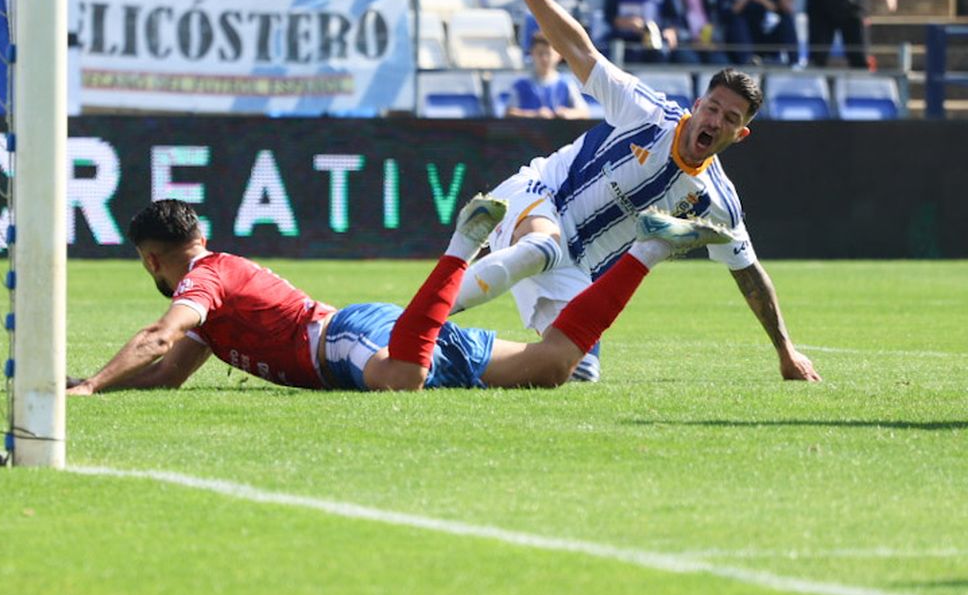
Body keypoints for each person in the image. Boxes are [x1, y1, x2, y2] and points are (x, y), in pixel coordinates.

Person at [443, 0, 822, 386]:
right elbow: (579, 49)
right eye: (713, 108)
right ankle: (415, 320)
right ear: (697, 104)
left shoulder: (715, 202)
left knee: (572, 370)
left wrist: (785, 350)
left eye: (730, 119)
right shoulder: (646, 111)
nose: (715, 121)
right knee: (541, 246)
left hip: (576, 267)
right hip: (541, 197)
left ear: (739, 135)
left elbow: (749, 273)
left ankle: (448, 354)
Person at [66, 196, 735, 396]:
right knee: (556, 364)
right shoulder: (214, 302)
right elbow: (167, 371)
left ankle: (460, 245)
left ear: (151, 258)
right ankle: (651, 248)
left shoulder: (204, 279)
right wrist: (96, 384)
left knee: (401, 380)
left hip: (345, 340)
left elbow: (159, 336)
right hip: (380, 329)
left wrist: (91, 386)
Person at [506, 32, 588, 118]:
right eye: (540, 53)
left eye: (548, 53)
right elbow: (508, 113)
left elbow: (584, 112)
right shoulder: (520, 85)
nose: (544, 58)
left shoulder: (567, 84)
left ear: (559, 55)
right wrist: (535, 114)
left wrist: (567, 114)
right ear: (532, 54)